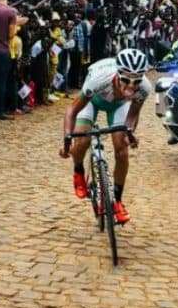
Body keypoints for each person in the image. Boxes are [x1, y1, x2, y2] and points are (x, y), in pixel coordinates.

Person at [59, 48, 150, 225]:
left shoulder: (145, 87)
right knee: (83, 140)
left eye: (136, 81)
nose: (131, 86)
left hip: (118, 106)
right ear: (117, 74)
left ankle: (117, 201)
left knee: (122, 151)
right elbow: (72, 110)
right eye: (125, 80)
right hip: (91, 102)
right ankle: (78, 171)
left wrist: (130, 132)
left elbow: (132, 114)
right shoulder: (98, 80)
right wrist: (67, 139)